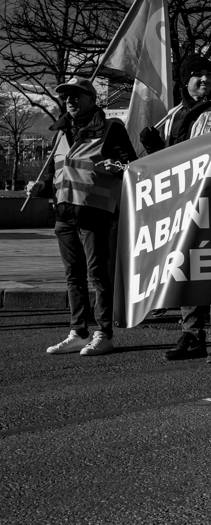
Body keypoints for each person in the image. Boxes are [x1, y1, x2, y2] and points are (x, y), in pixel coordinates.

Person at [28, 77, 136, 356]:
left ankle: (104, 333)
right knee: (73, 277)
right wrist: (40, 188)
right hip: (64, 216)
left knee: (99, 276)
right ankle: (78, 332)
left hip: (95, 214)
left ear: (92, 99)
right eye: (67, 97)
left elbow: (131, 166)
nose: (70, 100)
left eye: (77, 95)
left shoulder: (111, 128)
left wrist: (116, 166)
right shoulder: (60, 134)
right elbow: (55, 176)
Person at [139, 54, 211, 363]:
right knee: (184, 266)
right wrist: (154, 148)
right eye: (197, 74)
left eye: (209, 73)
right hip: (180, 204)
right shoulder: (174, 115)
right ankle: (192, 334)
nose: (205, 79)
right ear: (185, 81)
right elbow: (171, 160)